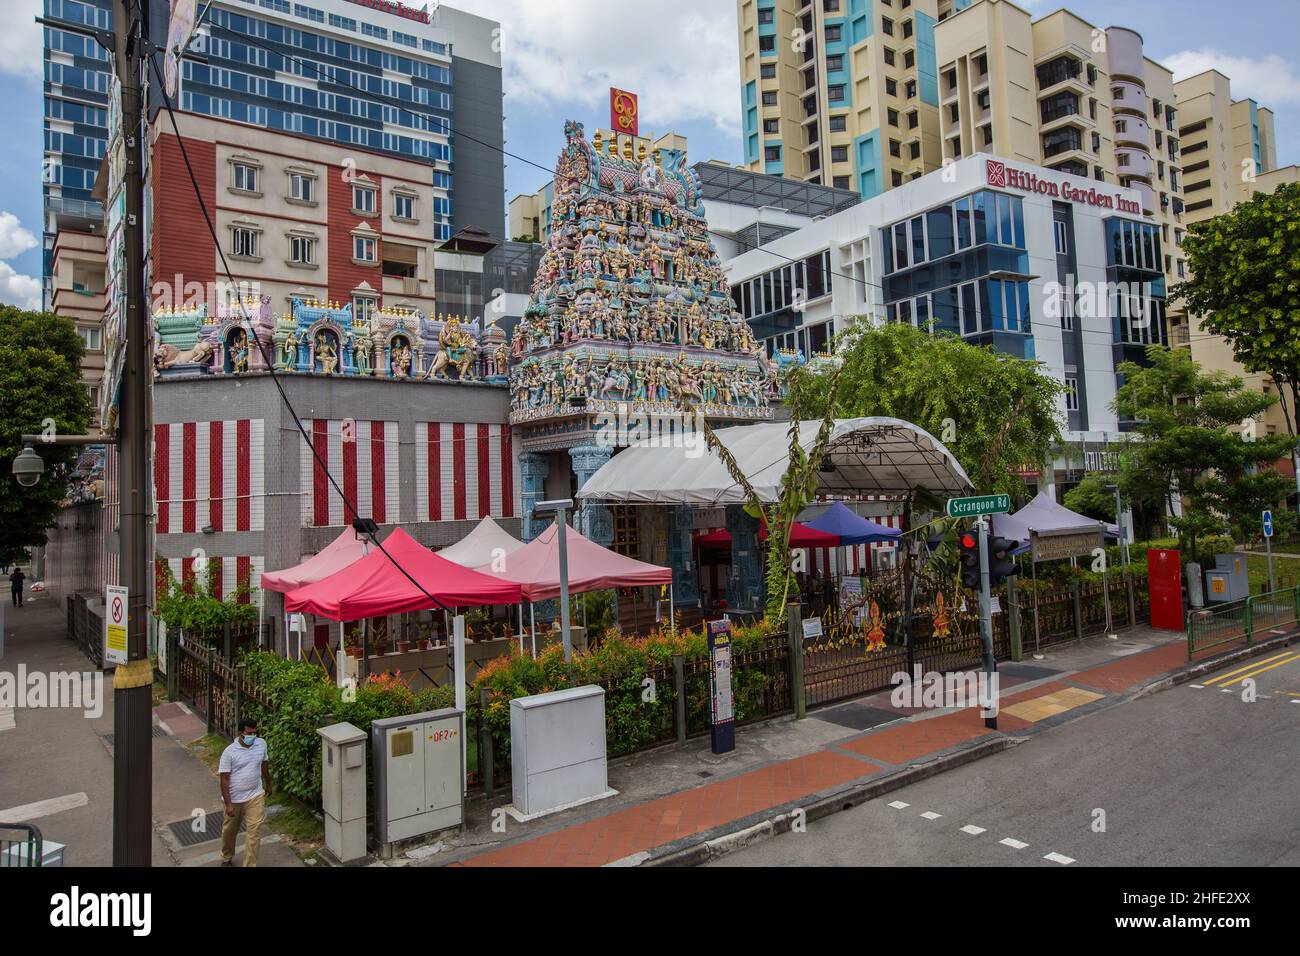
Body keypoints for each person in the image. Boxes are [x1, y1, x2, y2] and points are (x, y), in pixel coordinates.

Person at [218, 717, 272, 867]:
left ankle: (249, 865)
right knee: (229, 831)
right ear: (241, 733)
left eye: (254, 733)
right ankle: (226, 856)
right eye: (249, 733)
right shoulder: (229, 752)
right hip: (234, 799)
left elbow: (264, 765)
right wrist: (228, 804)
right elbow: (224, 779)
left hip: (255, 795)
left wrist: (268, 784)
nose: (252, 736)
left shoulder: (261, 744)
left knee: (254, 833)